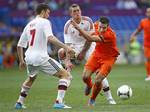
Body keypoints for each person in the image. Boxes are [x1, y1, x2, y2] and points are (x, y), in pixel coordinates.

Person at [15, 3, 74, 109]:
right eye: (48, 12)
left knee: (31, 78)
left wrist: (21, 61)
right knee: (66, 75)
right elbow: (50, 38)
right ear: (42, 11)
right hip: (41, 57)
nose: (49, 15)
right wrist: (66, 47)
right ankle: (58, 102)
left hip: (28, 57)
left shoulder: (29, 24)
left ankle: (19, 103)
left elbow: (20, 45)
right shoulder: (45, 22)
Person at [58, 4, 116, 105]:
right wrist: (67, 60)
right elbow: (68, 44)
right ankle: (68, 71)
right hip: (75, 46)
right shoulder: (67, 25)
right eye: (74, 11)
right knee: (61, 52)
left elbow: (90, 39)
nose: (77, 13)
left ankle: (109, 97)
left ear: (81, 11)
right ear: (71, 14)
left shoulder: (88, 21)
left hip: (89, 46)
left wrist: (83, 52)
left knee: (99, 73)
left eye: (78, 10)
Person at [70, 16, 120, 106]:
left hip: (108, 58)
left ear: (108, 26)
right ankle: (89, 85)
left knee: (98, 80)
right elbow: (89, 34)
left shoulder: (109, 35)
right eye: (100, 27)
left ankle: (92, 99)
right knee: (85, 77)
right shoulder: (95, 25)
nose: (101, 29)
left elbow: (90, 38)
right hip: (96, 55)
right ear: (98, 23)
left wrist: (78, 28)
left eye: (104, 28)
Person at [130, 7, 150, 81]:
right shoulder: (143, 21)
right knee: (148, 59)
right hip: (147, 44)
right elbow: (139, 30)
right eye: (148, 12)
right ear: (146, 13)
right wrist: (133, 35)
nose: (149, 13)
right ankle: (149, 75)